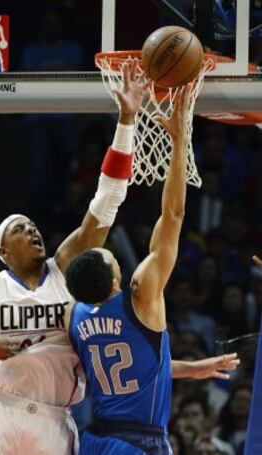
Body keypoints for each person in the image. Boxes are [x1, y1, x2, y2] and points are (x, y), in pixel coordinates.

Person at [0, 61, 147, 454]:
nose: (32, 230)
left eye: (33, 225)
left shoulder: (65, 266)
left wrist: (125, 121)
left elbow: (106, 203)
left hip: (55, 418)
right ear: (2, 251)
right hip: (1, 409)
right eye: (19, 229)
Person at [66, 87, 240, 454]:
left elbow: (135, 366)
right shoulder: (140, 294)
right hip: (138, 441)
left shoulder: (77, 316)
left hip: (95, 441)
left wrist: (191, 369)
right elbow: (173, 216)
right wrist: (179, 141)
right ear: (114, 277)